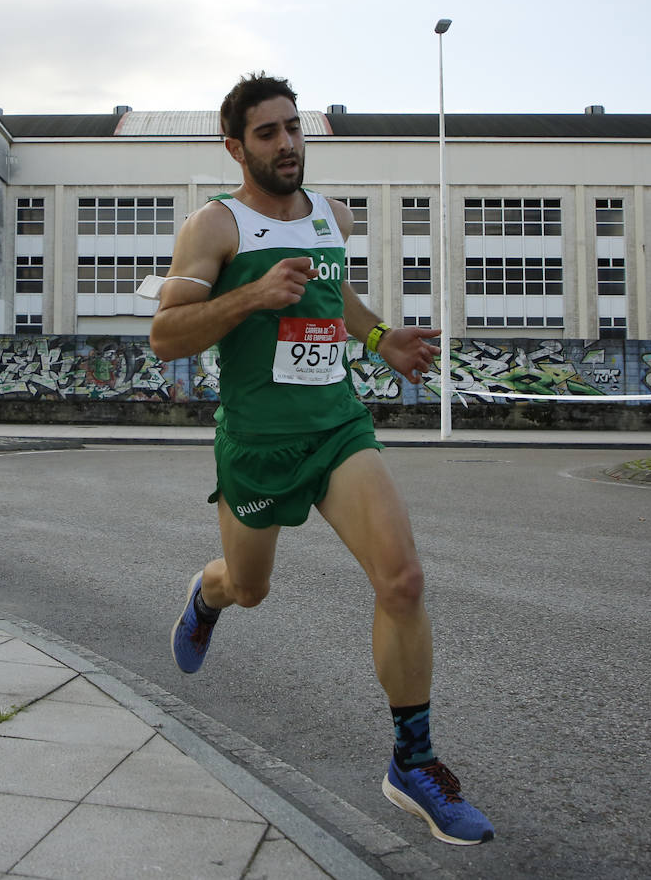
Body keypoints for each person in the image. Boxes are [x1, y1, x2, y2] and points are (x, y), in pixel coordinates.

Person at [149, 73, 494, 846]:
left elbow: (331, 298)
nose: (287, 144)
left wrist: (379, 340)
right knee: (251, 586)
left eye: (294, 128)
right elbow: (166, 335)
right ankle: (207, 596)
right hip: (257, 444)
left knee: (403, 579)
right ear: (236, 147)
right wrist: (250, 296)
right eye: (268, 133)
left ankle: (413, 762)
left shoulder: (333, 216)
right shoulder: (216, 226)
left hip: (337, 427)